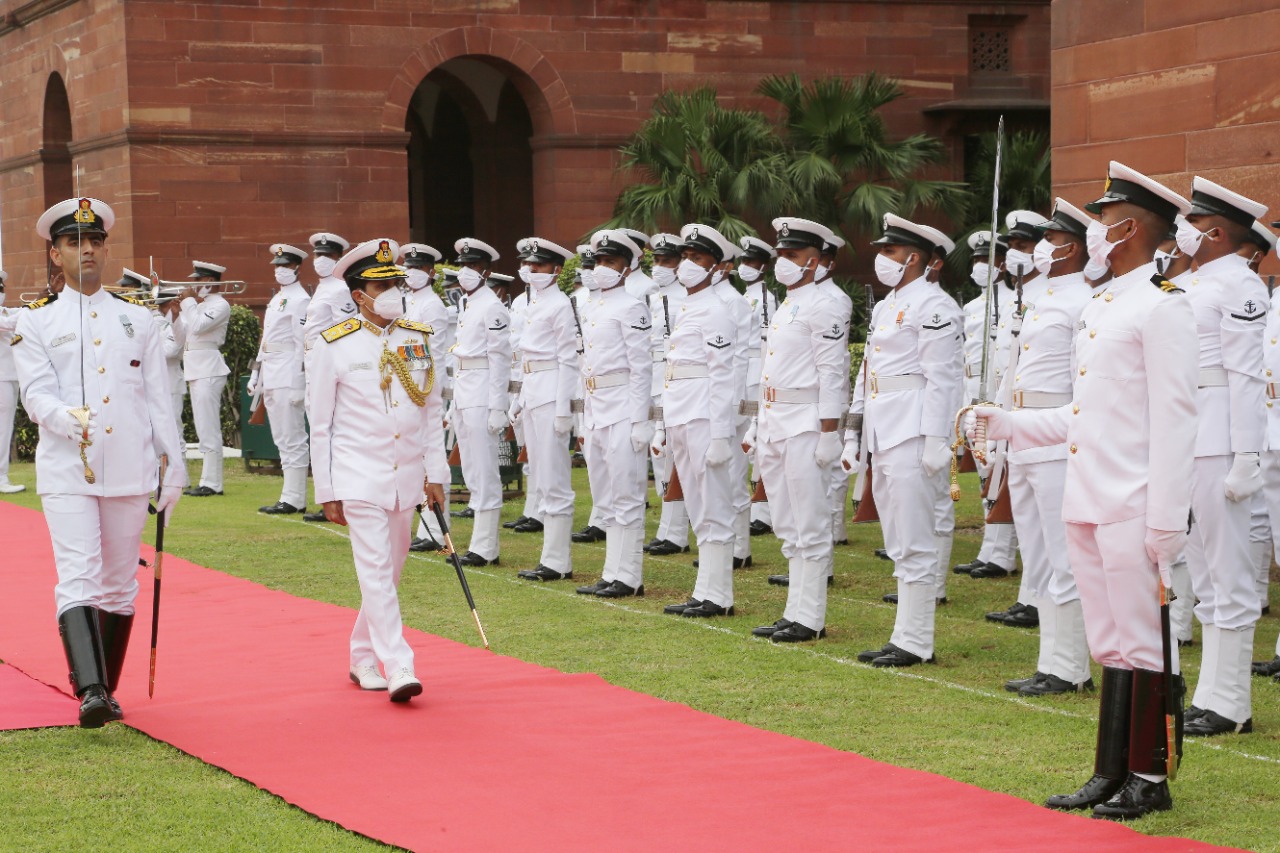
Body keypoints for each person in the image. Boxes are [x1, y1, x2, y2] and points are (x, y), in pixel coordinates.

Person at [973, 161, 1197, 819]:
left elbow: (1176, 420)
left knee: (1142, 637)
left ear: (1126, 227)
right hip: (1091, 496)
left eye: (1101, 221)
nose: (1092, 231)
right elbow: (1085, 416)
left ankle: (1149, 775)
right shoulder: (1104, 305)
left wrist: (1165, 521)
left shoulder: (1162, 307)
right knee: (1111, 640)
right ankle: (1109, 768)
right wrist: (1011, 422)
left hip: (1133, 502)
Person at [14, 197, 186, 726]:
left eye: (94, 242)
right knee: (78, 575)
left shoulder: (138, 319)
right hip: (68, 466)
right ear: (55, 255)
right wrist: (66, 417)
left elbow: (159, 398)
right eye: (74, 242)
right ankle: (89, 689)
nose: (86, 250)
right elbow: (35, 393)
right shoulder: (36, 320)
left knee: (118, 582)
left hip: (129, 467)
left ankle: (106, 688)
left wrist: (174, 463)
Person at [308, 238, 447, 702]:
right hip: (358, 472)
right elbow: (320, 423)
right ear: (357, 294)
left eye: (395, 283)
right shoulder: (334, 344)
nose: (391, 291)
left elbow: (430, 411)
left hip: (405, 473)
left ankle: (362, 656)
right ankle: (400, 665)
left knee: (390, 571)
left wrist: (436, 474)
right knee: (374, 567)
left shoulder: (416, 336)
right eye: (380, 284)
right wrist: (326, 488)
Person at [845, 214, 963, 665]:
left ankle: (916, 640)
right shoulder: (886, 306)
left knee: (915, 538)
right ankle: (904, 635)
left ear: (915, 258)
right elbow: (868, 373)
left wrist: (937, 438)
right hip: (885, 428)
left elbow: (943, 378)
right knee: (897, 537)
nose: (882, 259)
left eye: (890, 252)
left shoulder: (935, 307)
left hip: (914, 429)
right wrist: (855, 433)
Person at [1175, 177, 1269, 738]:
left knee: (1229, 573)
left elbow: (1245, 377)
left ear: (1213, 230)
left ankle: (1232, 702)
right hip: (1190, 437)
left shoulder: (1239, 284)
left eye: (1190, 222)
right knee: (1205, 573)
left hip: (1220, 441)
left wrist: (1246, 456)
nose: (1179, 230)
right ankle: (1211, 693)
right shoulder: (1192, 282)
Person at [997, 199, 1096, 697]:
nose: (1039, 248)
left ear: (1071, 247)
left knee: (1064, 555)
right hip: (1022, 431)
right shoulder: (1041, 297)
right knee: (1037, 556)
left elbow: (1083, 383)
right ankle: (1049, 662)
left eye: (1050, 240)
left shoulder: (1084, 301)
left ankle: (1071, 666)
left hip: (1057, 435)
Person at [749, 217, 848, 643]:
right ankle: (794, 610)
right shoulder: (791, 301)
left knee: (809, 521)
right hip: (775, 421)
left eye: (793, 255)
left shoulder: (828, 302)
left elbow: (833, 372)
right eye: (782, 254)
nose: (783, 261)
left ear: (818, 259)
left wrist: (830, 431)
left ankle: (810, 617)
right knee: (786, 523)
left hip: (806, 423)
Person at [660, 224, 740, 617]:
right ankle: (705, 590)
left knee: (714, 505)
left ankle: (719, 595)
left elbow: (723, 375)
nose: (689, 264)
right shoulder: (688, 306)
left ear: (718, 267)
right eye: (686, 257)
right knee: (697, 504)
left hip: (704, 417)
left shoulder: (716, 310)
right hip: (682, 413)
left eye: (699, 259)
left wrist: (722, 434)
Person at [572, 230, 653, 598]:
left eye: (611, 262)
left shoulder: (633, 306)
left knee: (628, 495)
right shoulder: (591, 308)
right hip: (597, 408)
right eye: (599, 261)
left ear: (629, 266)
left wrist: (640, 419)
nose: (603, 268)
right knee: (606, 495)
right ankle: (611, 572)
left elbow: (641, 368)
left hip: (622, 408)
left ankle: (630, 576)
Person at [954, 237, 1023, 587]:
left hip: (995, 397)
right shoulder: (973, 306)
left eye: (989, 258)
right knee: (985, 475)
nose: (981, 264)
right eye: (978, 257)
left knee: (1000, 475)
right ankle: (990, 547)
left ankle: (1002, 553)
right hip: (973, 396)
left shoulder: (1015, 301)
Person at [508, 237, 577, 583]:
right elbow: (526, 357)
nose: (532, 271)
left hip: (551, 393)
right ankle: (551, 557)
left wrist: (565, 408)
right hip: (534, 391)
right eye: (530, 265)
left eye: (540, 266)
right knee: (540, 474)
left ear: (557, 270)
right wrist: (518, 399)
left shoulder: (560, 304)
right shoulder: (534, 303)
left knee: (554, 479)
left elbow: (568, 358)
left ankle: (557, 561)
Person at [449, 238, 511, 566]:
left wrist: (498, 405)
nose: (466, 272)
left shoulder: (492, 306)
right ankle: (479, 543)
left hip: (482, 394)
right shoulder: (467, 304)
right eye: (462, 266)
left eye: (472, 267)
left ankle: (486, 548)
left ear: (486, 271)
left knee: (485, 470)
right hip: (464, 392)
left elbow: (500, 358)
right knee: (472, 469)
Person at [250, 244, 312, 514]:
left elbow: (302, 343)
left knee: (293, 437)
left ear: (297, 267)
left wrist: (301, 381)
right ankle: (289, 495)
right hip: (273, 371)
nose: (280, 270)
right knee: (281, 438)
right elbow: (266, 341)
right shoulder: (278, 298)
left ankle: (295, 497)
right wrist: (257, 372)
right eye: (277, 266)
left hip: (288, 372)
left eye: (285, 266)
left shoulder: (300, 299)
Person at [399, 243, 452, 553]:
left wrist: (413, 384)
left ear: (432, 272)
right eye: (409, 266)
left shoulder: (432, 305)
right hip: (407, 381)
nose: (413, 273)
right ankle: (426, 525)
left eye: (419, 268)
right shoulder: (408, 301)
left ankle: (436, 525)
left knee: (431, 454)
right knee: (414, 455)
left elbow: (426, 349)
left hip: (424, 383)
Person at [645, 233, 692, 557]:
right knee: (659, 456)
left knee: (673, 457)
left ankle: (676, 533)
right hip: (653, 378)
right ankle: (668, 528)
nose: (660, 267)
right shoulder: (653, 296)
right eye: (657, 260)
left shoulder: (684, 299)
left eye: (667, 261)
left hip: (672, 380)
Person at [302, 231, 353, 522]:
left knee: (331, 432)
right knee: (320, 432)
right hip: (314, 364)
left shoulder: (339, 288)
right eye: (318, 255)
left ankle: (338, 495)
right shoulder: (323, 288)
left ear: (337, 259)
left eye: (328, 256)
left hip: (328, 365)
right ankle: (328, 494)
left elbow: (344, 330)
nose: (321, 261)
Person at [736, 237, 778, 538]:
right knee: (745, 441)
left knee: (758, 441)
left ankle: (764, 511)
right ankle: (753, 506)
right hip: (742, 372)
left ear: (763, 267)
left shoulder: (766, 298)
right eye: (743, 261)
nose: (744, 267)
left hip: (756, 372)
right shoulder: (743, 296)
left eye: (750, 262)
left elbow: (768, 345)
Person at [179, 260, 231, 497]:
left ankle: (212, 483)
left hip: (209, 369)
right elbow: (183, 333)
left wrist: (188, 301)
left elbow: (199, 327)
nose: (194, 285)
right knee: (203, 428)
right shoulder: (199, 306)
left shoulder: (220, 305)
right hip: (196, 368)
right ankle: (208, 481)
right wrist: (172, 310)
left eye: (197, 280)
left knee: (209, 429)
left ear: (209, 281)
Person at [0, 268, 26, 493]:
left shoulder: (5, 310)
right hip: (2, 377)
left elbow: (14, 314)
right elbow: (9, 324)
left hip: (7, 376)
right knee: (2, 428)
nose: (2, 292)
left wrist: (40, 302)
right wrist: (36, 304)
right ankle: (1, 479)